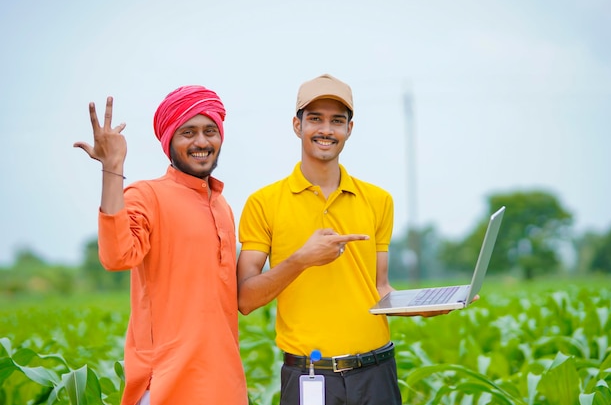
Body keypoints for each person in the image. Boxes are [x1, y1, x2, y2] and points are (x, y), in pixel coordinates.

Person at [237, 74, 447, 405]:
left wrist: (421, 307)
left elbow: (380, 290)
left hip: (375, 372)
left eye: (337, 120)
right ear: (297, 125)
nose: (326, 130)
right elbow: (246, 299)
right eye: (315, 119)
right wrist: (302, 258)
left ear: (350, 129)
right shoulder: (263, 203)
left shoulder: (378, 200)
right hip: (308, 377)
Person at [73, 86, 248, 405]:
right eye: (188, 132)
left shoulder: (222, 206)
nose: (201, 142)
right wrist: (112, 168)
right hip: (167, 388)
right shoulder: (145, 195)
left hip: (226, 386)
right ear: (169, 140)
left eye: (210, 130)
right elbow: (116, 256)